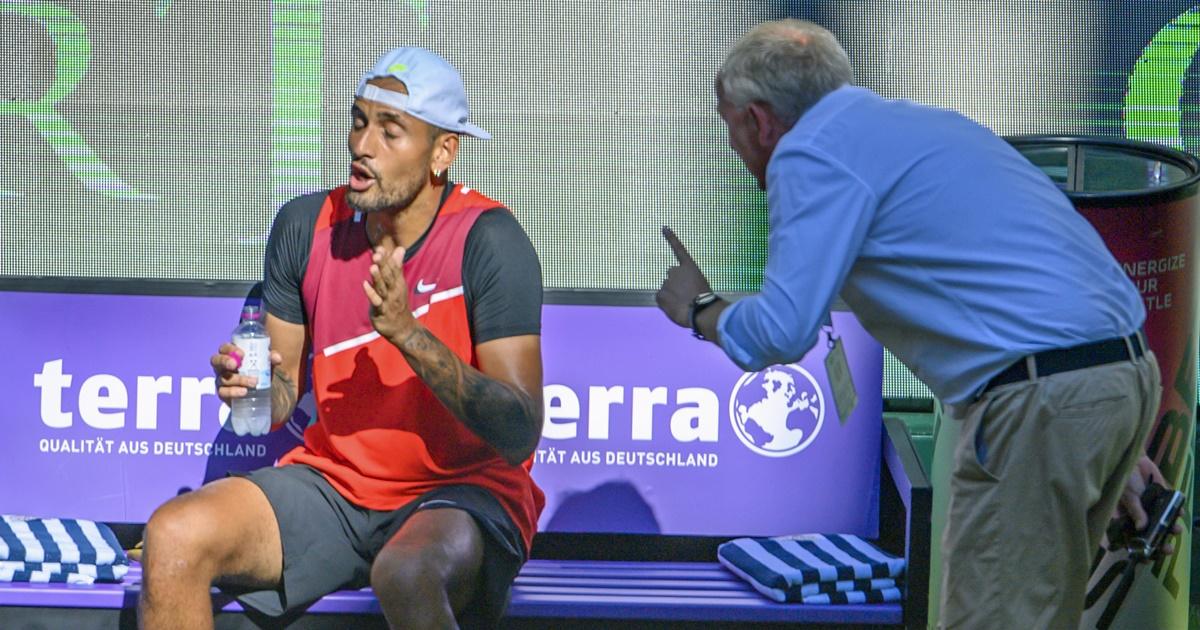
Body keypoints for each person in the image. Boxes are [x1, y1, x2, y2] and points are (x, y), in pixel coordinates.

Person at [656, 19, 1171, 629]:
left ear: (758, 120)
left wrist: (700, 308)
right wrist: (1098, 436)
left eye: (729, 128)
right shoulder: (929, 127)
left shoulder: (808, 151)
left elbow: (782, 330)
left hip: (1041, 402)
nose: (735, 148)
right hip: (1119, 376)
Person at [139, 47, 545, 629]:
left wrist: (409, 335)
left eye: (390, 131)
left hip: (462, 491)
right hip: (335, 487)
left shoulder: (491, 239)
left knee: (406, 573)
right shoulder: (305, 225)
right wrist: (252, 388)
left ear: (443, 152)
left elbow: (519, 427)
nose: (362, 145)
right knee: (172, 534)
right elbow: (280, 400)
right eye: (358, 122)